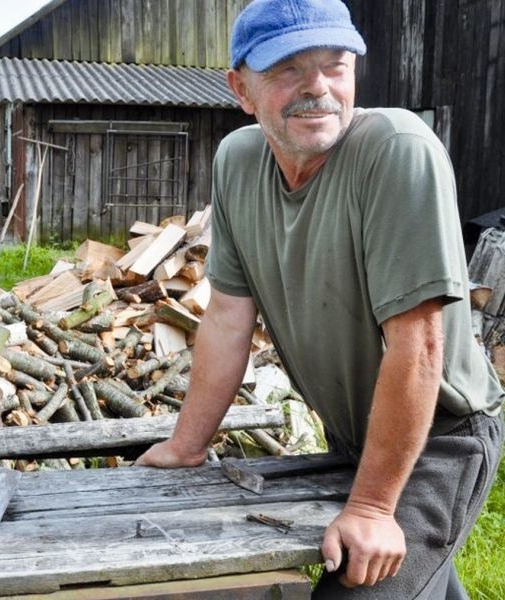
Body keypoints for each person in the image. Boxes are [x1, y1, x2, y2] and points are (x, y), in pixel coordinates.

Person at [134, 0, 504, 597]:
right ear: (241, 89)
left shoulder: (396, 150)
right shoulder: (238, 160)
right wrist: (186, 445)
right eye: (288, 71)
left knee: (362, 586)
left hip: (441, 438)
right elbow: (228, 317)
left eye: (336, 65)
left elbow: (420, 343)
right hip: (355, 432)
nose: (319, 89)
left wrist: (375, 506)